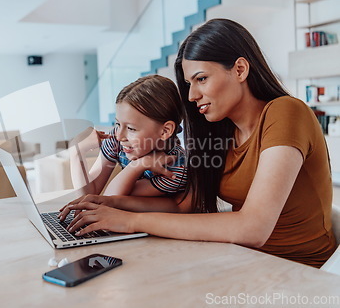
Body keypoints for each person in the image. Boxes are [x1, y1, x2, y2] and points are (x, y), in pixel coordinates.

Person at [59, 18, 337, 268]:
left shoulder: (286, 112)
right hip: (241, 259)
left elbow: (252, 228)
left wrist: (130, 221)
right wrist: (108, 205)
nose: (192, 95)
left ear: (240, 69)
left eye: (201, 79)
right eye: (188, 84)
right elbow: (182, 208)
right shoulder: (219, 133)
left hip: (298, 271)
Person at [65, 75, 187, 203]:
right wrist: (76, 151)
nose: (119, 136)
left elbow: (109, 201)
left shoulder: (177, 168)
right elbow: (88, 195)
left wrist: (137, 165)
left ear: (165, 131)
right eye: (118, 124)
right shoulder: (117, 140)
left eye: (131, 128)